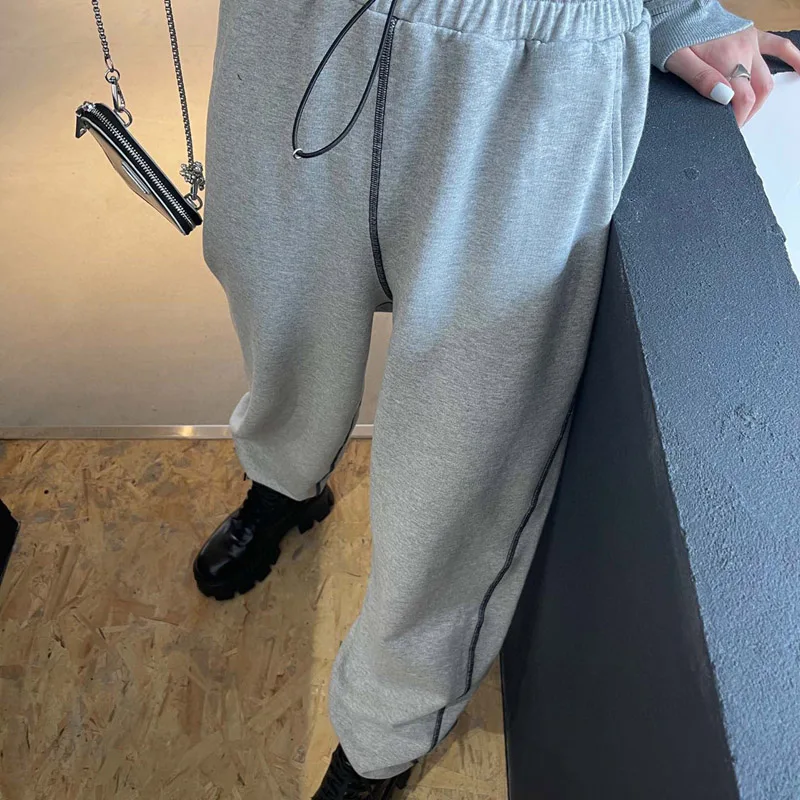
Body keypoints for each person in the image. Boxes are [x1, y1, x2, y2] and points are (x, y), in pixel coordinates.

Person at [195, 0, 800, 796]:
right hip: (291, 34)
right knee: (277, 317)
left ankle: (383, 732)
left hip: (537, 55)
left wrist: (672, 9)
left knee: (462, 451)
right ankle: (283, 477)